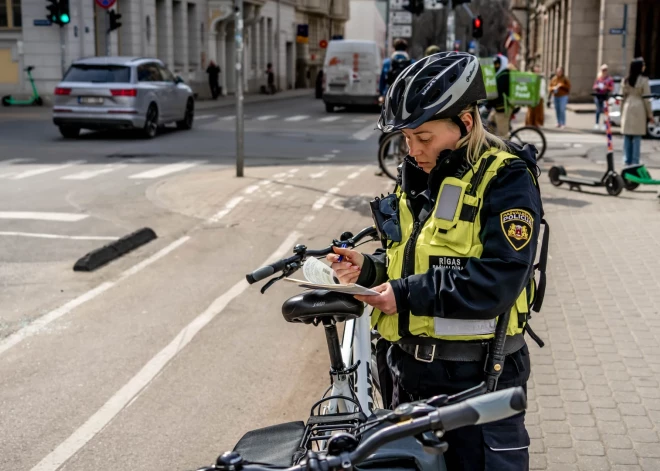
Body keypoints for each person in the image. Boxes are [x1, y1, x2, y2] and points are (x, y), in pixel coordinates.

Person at [328, 52, 543, 470]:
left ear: (464, 123)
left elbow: (498, 280)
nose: (413, 151)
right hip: (406, 379)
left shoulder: (506, 179)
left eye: (423, 138)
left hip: (475, 387)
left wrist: (404, 295)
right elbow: (413, 258)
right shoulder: (420, 177)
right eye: (406, 139)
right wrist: (370, 269)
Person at [621, 58, 653, 166]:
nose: (644, 66)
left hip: (627, 106)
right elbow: (647, 99)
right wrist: (650, 114)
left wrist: (621, 112)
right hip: (639, 107)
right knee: (637, 136)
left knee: (627, 136)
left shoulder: (625, 80)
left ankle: (626, 160)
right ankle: (635, 161)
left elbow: (622, 97)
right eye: (643, 65)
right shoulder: (644, 80)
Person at [487, 54, 512, 137]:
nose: (495, 66)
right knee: (489, 126)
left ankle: (507, 149)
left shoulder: (504, 75)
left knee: (503, 135)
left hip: (503, 108)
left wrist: (488, 104)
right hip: (498, 107)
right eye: (494, 64)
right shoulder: (500, 74)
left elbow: (498, 93)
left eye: (497, 64)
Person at [593, 64, 615, 130]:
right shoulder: (599, 78)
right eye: (603, 70)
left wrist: (606, 87)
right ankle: (596, 124)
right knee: (598, 110)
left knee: (605, 111)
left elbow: (612, 88)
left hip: (605, 96)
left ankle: (604, 124)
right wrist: (597, 87)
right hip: (598, 95)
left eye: (605, 70)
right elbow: (594, 86)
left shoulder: (609, 79)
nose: (604, 71)